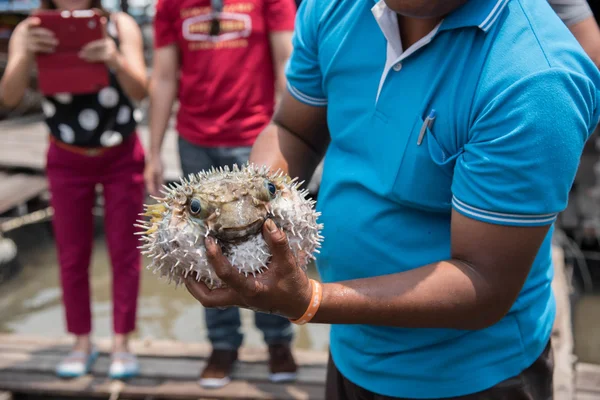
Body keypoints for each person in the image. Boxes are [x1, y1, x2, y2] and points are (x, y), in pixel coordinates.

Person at [183, 0, 600, 398]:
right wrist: (253, 203)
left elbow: (484, 283)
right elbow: (293, 129)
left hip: (474, 379)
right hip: (350, 344)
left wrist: (310, 301)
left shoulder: (537, 78)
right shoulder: (334, 8)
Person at [145, 0, 297, 389]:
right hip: (195, 142)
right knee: (202, 250)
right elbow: (164, 77)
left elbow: (287, 64)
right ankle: (223, 344)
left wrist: (290, 139)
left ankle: (278, 340)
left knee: (266, 243)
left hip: (255, 139)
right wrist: (153, 152)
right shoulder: (169, 5)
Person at [0, 0, 148, 380]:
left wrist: (113, 57)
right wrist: (26, 55)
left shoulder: (119, 24)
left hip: (121, 153)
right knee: (71, 253)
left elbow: (142, 90)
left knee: (125, 251)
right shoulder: (30, 28)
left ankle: (122, 342)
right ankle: (81, 341)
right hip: (66, 155)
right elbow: (9, 98)